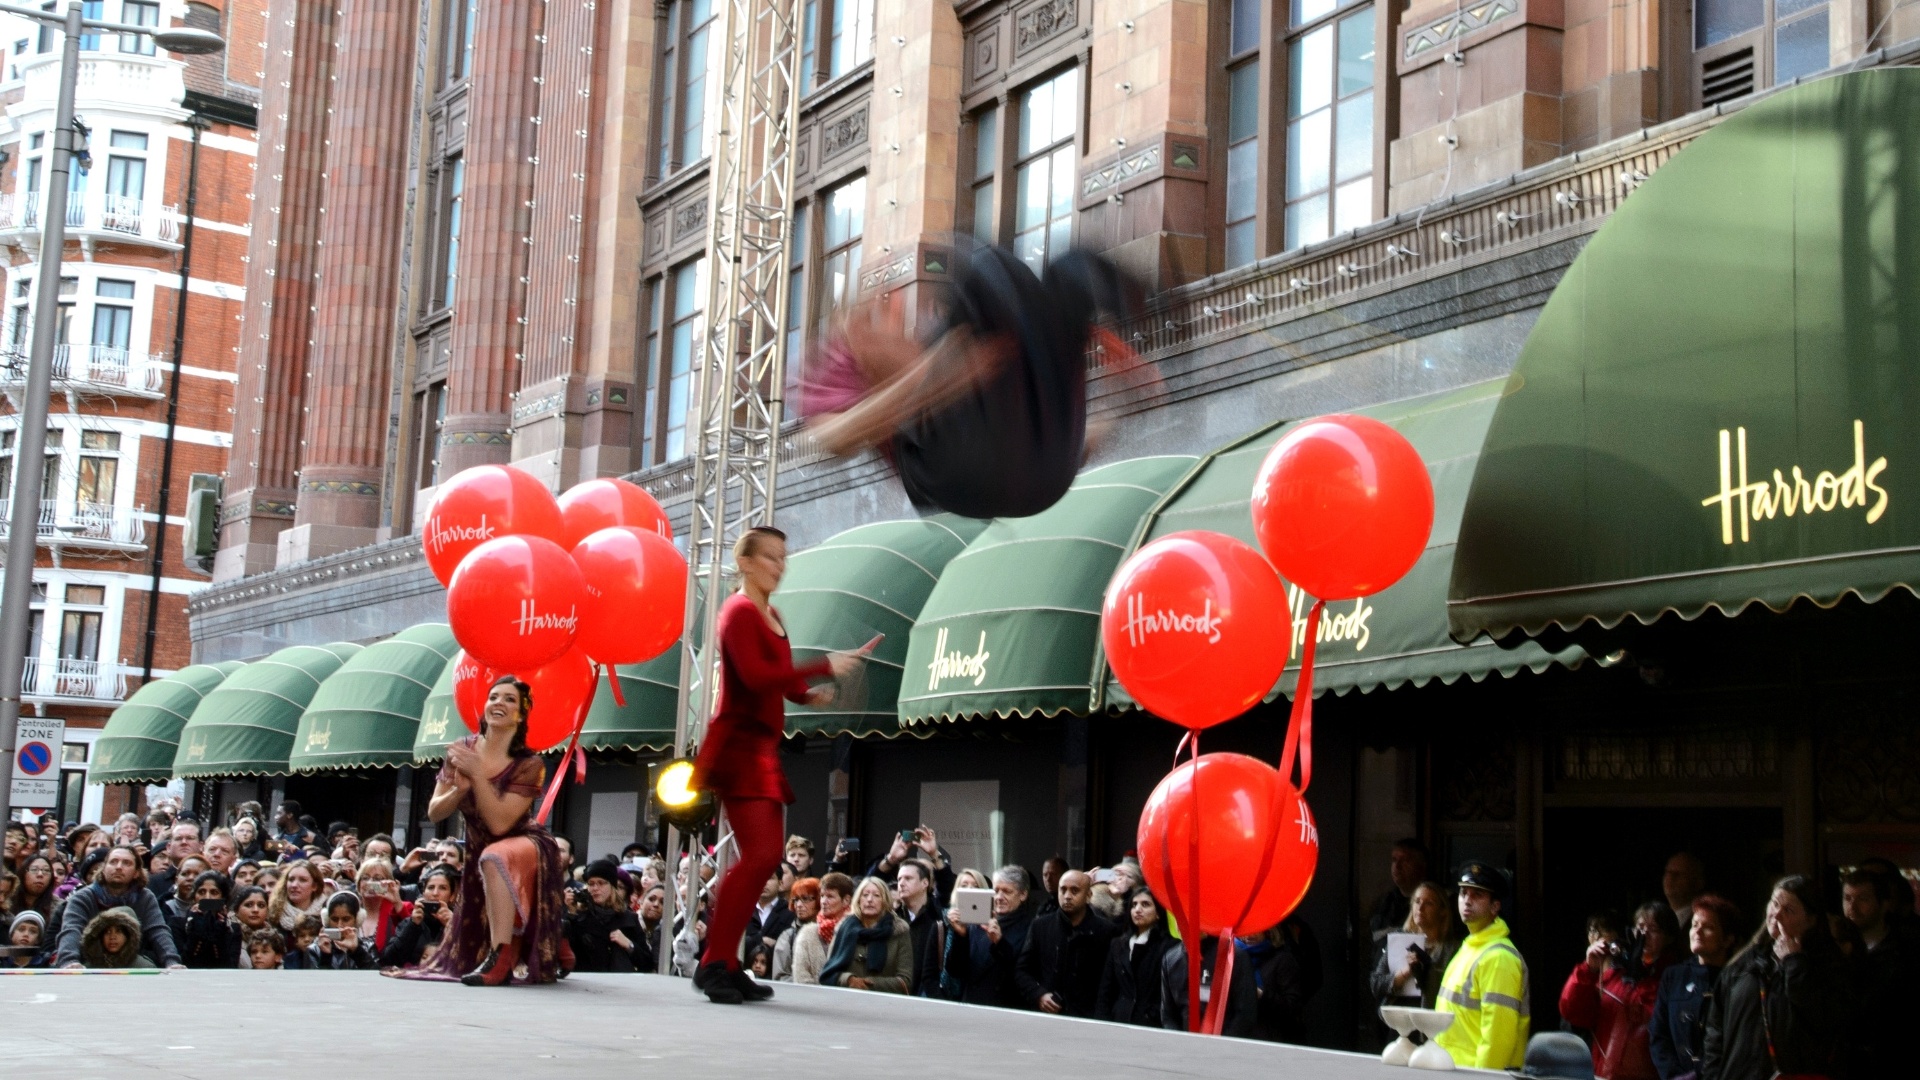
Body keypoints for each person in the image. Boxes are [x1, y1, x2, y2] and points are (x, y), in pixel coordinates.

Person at [801, 245, 1151, 520]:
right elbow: (833, 439)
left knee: (1068, 272)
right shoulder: (843, 352)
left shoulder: (964, 351)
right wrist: (929, 381)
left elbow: (1042, 449)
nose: (901, 314)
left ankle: (1140, 307)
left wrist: (1109, 410)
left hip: (1042, 479)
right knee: (990, 270)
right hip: (950, 477)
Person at [689, 526, 867, 1005]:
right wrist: (822, 665)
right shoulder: (738, 612)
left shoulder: (771, 615)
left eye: (783, 557)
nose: (779, 565)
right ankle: (715, 962)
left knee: (763, 858)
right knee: (761, 856)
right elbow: (754, 675)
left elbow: (779, 681)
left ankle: (725, 962)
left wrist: (808, 695)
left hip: (761, 747)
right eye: (769, 556)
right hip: (739, 746)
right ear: (745, 562)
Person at [393, 674, 566, 986]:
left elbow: (500, 824)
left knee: (495, 855)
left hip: (523, 842)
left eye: (510, 699)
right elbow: (435, 811)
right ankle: (550, 942)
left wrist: (477, 775)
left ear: (521, 714)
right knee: (489, 860)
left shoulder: (531, 764)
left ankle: (501, 959)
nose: (499, 703)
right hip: (477, 847)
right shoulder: (462, 749)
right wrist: (459, 790)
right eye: (493, 697)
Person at [1701, 875, 1855, 1080]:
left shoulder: (1827, 965)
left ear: (1811, 920)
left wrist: (1794, 962)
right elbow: (1715, 1031)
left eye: (1788, 910)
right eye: (1774, 904)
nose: (1776, 915)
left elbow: (1824, 1018)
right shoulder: (1743, 964)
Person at [1560, 900, 1682, 1079]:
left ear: (1668, 938)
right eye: (1640, 927)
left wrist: (1641, 978)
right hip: (1603, 1074)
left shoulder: (1674, 977)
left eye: (1653, 929)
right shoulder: (1616, 974)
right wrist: (1588, 969)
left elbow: (1652, 1024)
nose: (1644, 934)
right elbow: (1573, 1012)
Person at [1432, 861, 1529, 1070]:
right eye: (1463, 893)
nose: (1467, 900)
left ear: (1495, 907)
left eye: (1478, 895)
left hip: (1473, 1073)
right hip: (1453, 1069)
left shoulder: (1498, 958)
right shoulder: (1470, 947)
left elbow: (1497, 1038)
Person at [1648, 893, 1739, 1080]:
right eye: (1695, 925)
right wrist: (1673, 1076)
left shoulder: (1737, 980)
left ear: (1728, 939)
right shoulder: (1674, 976)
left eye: (1708, 927)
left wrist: (1697, 1076)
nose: (1697, 932)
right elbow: (1658, 1033)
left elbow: (1735, 1042)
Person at [54, 845, 182, 969]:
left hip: (131, 962)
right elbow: (72, 929)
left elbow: (158, 931)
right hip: (89, 962)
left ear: (136, 872)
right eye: (113, 862)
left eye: (126, 863)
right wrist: (69, 961)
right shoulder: (83, 897)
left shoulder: (145, 897)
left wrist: (171, 961)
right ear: (103, 869)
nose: (119, 867)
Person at [1017, 868, 1120, 1017]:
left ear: (1088, 896)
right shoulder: (1040, 926)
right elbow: (1022, 970)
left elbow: (1109, 982)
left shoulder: (1106, 931)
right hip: (1048, 1014)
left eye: (1074, 891)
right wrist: (1039, 994)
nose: (1067, 896)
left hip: (1087, 1016)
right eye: (1063, 890)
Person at [1841, 867, 1912, 1079]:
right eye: (1847, 898)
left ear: (1885, 904)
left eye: (1863, 899)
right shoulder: (1833, 950)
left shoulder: (1906, 954)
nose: (1852, 907)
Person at [944, 865, 1035, 1007]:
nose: (999, 897)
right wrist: (960, 936)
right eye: (996, 890)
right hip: (972, 1005)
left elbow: (1022, 976)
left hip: (1005, 1009)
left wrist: (999, 943)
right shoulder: (978, 921)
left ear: (1023, 894)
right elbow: (955, 971)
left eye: (1007, 891)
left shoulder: (1031, 928)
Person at [1369, 880, 1460, 1012]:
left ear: (1442, 911)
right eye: (1417, 901)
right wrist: (1404, 974)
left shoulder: (1452, 949)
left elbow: (1451, 991)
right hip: (1397, 1016)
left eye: (1429, 903)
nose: (1420, 908)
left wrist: (1426, 970)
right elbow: (1375, 983)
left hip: (1431, 1017)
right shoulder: (1399, 940)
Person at [1096, 888, 1176, 1026]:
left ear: (1158, 913)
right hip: (1119, 1019)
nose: (1137, 910)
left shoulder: (1169, 946)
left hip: (1152, 1023)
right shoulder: (1118, 945)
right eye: (1134, 905)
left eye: (1145, 904)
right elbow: (1106, 990)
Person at [819, 876, 914, 993]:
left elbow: (905, 981)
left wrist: (867, 983)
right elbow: (829, 973)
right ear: (858, 900)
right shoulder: (844, 929)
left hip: (884, 1001)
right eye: (865, 895)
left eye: (876, 895)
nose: (869, 899)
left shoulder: (899, 931)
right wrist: (849, 980)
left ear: (885, 901)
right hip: (847, 999)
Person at [1160, 935, 1259, 1035]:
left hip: (1226, 1039)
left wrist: (1218, 1043)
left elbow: (1245, 1014)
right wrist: (1181, 1041)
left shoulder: (1234, 956)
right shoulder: (1170, 959)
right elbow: (1167, 1014)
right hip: (1184, 1040)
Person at [565, 860, 649, 973]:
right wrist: (571, 914)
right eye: (591, 884)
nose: (595, 888)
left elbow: (647, 962)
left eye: (601, 883)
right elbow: (567, 953)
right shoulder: (579, 917)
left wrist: (629, 945)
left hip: (620, 980)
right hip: (587, 979)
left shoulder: (628, 918)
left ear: (612, 886)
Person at [381, 865, 457, 969]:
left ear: (452, 896)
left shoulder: (460, 923)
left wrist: (453, 925)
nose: (435, 893)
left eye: (443, 888)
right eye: (431, 887)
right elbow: (389, 960)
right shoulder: (409, 922)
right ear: (423, 893)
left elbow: (469, 959)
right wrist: (413, 925)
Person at [894, 857, 945, 997]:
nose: (901, 883)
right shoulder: (892, 918)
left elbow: (947, 889)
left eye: (908, 878)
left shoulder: (938, 915)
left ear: (925, 883)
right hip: (898, 994)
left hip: (930, 996)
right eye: (899, 879)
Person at [791, 871, 852, 985]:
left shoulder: (855, 930)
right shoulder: (807, 933)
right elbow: (800, 977)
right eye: (822, 896)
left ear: (846, 900)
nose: (823, 902)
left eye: (830, 896)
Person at [174, 870, 243, 969]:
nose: (207, 897)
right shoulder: (177, 924)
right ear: (194, 897)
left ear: (223, 898)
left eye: (214, 892)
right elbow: (183, 963)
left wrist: (219, 932)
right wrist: (196, 928)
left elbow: (230, 967)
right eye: (201, 892)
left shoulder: (233, 929)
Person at [1369, 839, 1430, 945]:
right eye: (1394, 860)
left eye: (1405, 860)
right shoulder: (1384, 904)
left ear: (1422, 865)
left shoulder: (1439, 902)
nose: (1397, 866)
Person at [309, 892, 379, 970]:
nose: (339, 925)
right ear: (327, 920)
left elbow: (376, 975)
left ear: (357, 919)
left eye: (346, 919)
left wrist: (357, 951)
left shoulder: (369, 947)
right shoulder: (315, 950)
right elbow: (316, 977)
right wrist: (325, 956)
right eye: (334, 919)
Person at [772, 876, 819, 981]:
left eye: (805, 899)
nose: (799, 905)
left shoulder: (831, 932)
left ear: (819, 900)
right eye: (796, 900)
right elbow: (780, 977)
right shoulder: (788, 936)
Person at [354, 856, 402, 952]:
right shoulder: (350, 910)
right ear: (359, 884)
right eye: (365, 878)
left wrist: (397, 902)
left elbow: (411, 936)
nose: (370, 882)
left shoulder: (399, 909)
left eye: (377, 879)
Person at [79, 908, 153, 969]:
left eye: (118, 931)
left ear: (129, 935)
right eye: (107, 932)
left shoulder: (145, 968)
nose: (112, 937)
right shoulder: (88, 970)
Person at [267, 859, 326, 933]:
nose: (294, 885)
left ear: (314, 886)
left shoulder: (327, 913)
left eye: (302, 880)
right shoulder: (274, 914)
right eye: (291, 880)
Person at [1662, 853, 1705, 934]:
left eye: (1678, 874)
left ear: (1698, 882)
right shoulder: (1656, 919)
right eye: (1668, 872)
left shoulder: (1703, 921)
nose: (1670, 878)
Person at [8, 852, 56, 923]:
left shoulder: (58, 907)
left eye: (46, 870)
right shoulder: (7, 901)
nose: (40, 874)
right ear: (23, 874)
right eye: (34, 869)